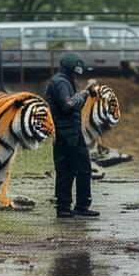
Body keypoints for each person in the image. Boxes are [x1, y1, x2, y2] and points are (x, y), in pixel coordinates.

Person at [46, 52, 99, 218]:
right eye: (76, 71)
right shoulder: (61, 83)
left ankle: (65, 206)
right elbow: (68, 106)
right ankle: (78, 206)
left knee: (67, 170)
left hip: (66, 133)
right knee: (80, 169)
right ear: (70, 69)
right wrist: (83, 94)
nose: (77, 75)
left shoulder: (61, 80)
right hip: (68, 134)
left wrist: (81, 93)